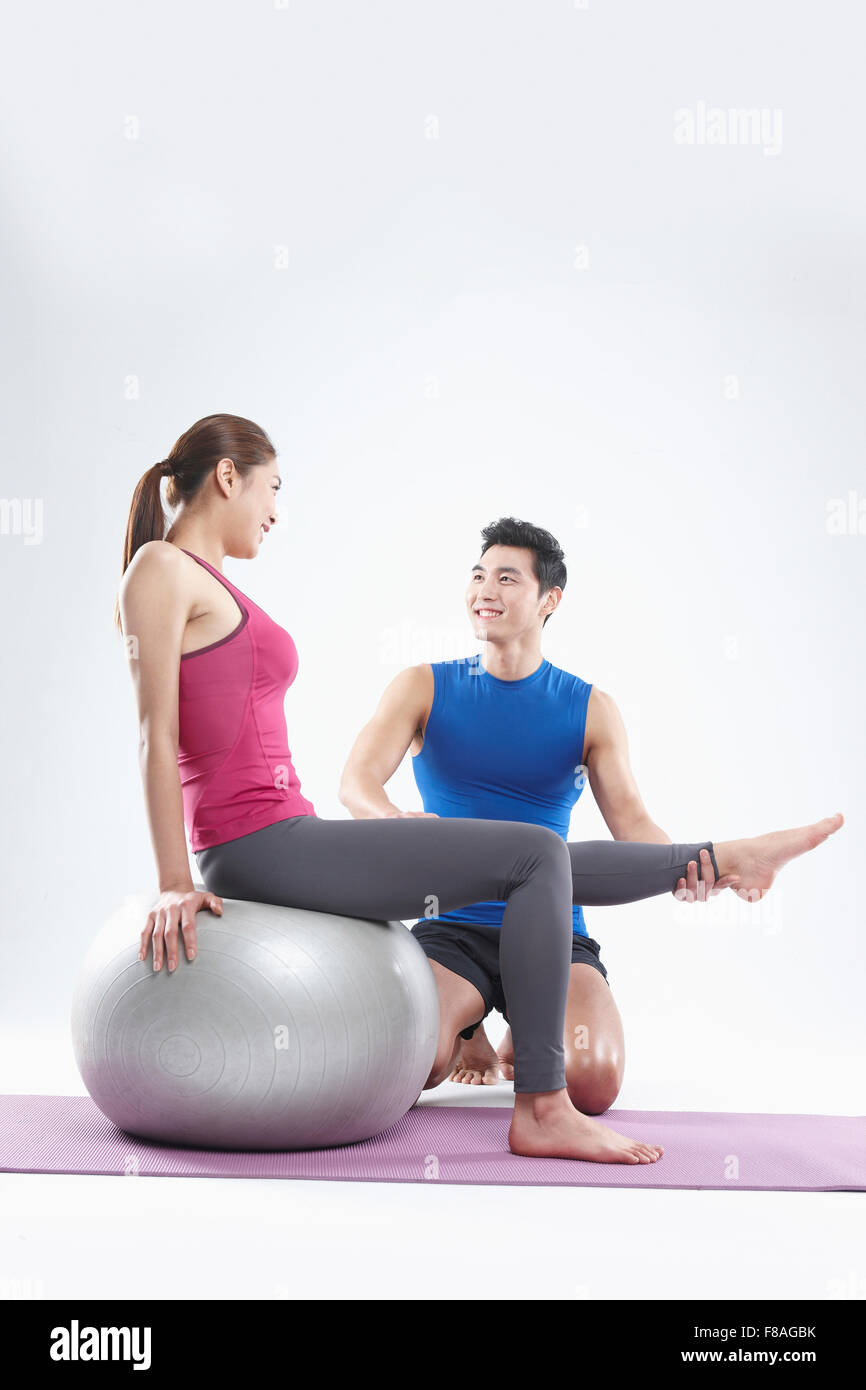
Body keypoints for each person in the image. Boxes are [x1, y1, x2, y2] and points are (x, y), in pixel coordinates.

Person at [115, 413, 844, 1166]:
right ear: (229, 478)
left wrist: (675, 870)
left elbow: (630, 820)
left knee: (537, 859)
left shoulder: (208, 581)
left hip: (288, 832)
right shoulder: (161, 571)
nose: (274, 511)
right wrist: (174, 880)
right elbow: (153, 734)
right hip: (256, 846)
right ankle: (543, 1109)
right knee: (535, 854)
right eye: (271, 489)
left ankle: (720, 861)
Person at [339, 517, 728, 1109]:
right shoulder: (422, 686)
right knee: (411, 1063)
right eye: (477, 576)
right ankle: (467, 1026)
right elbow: (356, 782)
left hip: (551, 929)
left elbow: (633, 826)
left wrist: (684, 865)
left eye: (506, 579)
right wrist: (393, 822)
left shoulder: (590, 707)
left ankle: (523, 1020)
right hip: (450, 926)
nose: (483, 591)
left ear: (550, 599)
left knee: (592, 1080)